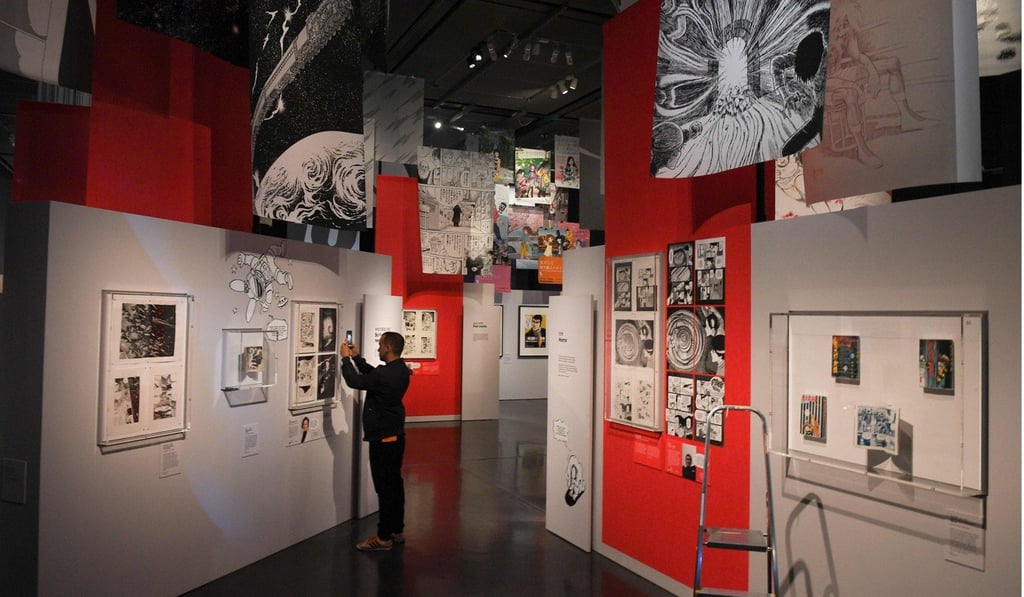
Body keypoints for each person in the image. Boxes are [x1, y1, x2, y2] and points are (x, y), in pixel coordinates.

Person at [340, 332, 412, 551]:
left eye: (381, 345)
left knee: (385, 488)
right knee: (395, 485)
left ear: (389, 347)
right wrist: (358, 359)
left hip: (383, 438)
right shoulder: (400, 369)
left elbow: (355, 381)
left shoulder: (386, 374)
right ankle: (397, 530)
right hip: (395, 435)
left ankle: (383, 538)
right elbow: (373, 376)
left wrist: (345, 359)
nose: (379, 348)